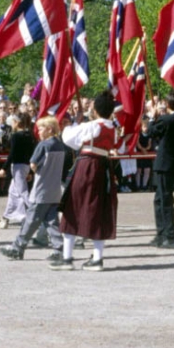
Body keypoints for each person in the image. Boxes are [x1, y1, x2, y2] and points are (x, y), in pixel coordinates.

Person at [52, 91, 119, 272]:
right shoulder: (113, 127)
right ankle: (97, 258)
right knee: (99, 209)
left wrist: (75, 123)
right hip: (104, 167)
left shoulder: (91, 126)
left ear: (96, 109)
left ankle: (67, 258)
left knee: (72, 207)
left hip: (86, 166)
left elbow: (68, 139)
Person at [0, 116, 67, 262]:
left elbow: (33, 164)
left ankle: (18, 247)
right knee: (51, 221)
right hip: (54, 190)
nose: (38, 131)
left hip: (41, 189)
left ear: (49, 129)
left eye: (41, 128)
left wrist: (35, 171)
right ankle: (59, 248)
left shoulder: (43, 145)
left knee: (31, 219)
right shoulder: (60, 145)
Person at [147, 91, 174, 249]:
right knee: (160, 199)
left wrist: (153, 117)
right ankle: (162, 234)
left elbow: (150, 132)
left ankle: (170, 237)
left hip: (164, 163)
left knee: (165, 201)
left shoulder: (166, 119)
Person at [0, 113, 35, 229]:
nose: (11, 124)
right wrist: (30, 172)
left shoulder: (16, 136)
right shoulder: (30, 136)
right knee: (12, 192)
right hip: (26, 166)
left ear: (17, 122)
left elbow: (11, 154)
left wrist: (3, 168)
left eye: (12, 122)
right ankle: (5, 218)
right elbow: (32, 154)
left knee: (23, 192)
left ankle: (35, 214)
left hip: (18, 167)